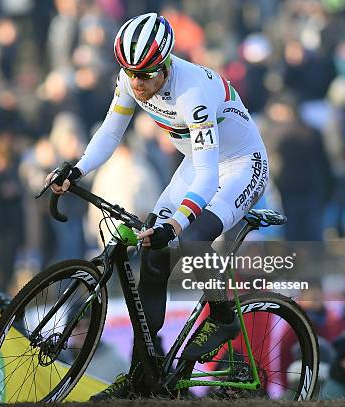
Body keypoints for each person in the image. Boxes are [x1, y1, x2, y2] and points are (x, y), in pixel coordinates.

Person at [47, 13, 268, 399]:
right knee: (153, 254)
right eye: (130, 74)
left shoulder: (192, 93)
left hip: (238, 164)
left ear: (166, 64)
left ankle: (222, 317)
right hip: (198, 161)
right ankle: (142, 376)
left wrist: (177, 223)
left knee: (194, 235)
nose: (137, 84)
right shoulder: (132, 79)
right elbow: (111, 131)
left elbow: (206, 177)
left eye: (146, 74)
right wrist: (77, 169)